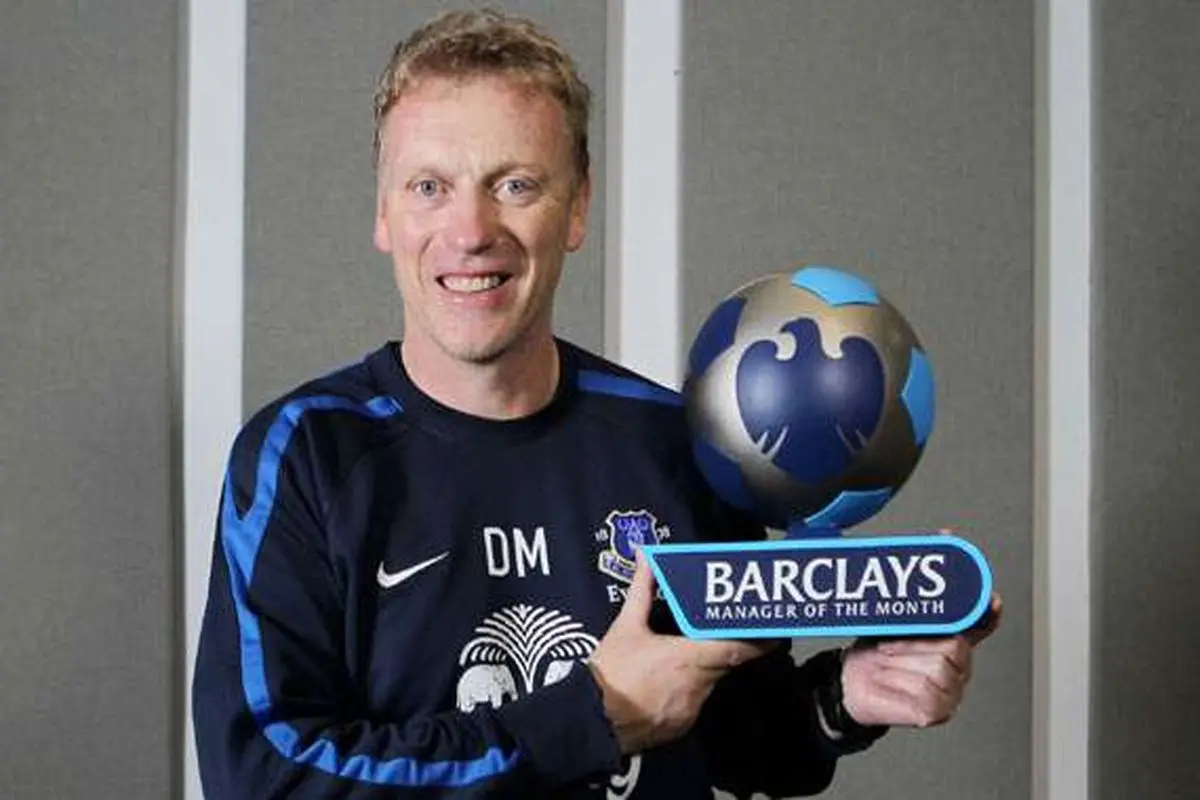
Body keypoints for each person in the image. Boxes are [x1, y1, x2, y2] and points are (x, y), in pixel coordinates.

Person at [191, 8, 1002, 799]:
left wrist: (847, 696)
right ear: (384, 212)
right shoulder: (306, 456)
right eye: (429, 186)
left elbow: (736, 736)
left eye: (515, 184)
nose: (470, 230)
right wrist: (594, 716)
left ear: (577, 206)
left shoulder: (674, 444)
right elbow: (264, 778)